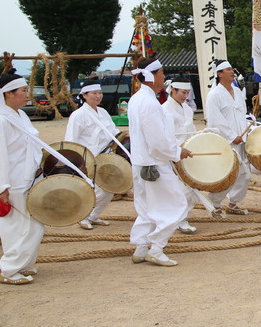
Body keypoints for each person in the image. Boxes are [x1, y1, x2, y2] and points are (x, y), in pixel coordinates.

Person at [128, 58, 193, 267]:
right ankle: (156, 247)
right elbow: (156, 141)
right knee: (176, 205)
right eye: (162, 73)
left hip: (141, 161)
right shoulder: (148, 103)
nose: (164, 77)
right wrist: (177, 152)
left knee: (147, 207)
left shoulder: (137, 99)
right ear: (151, 76)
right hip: (154, 162)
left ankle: (140, 247)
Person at [0, 71, 44, 284]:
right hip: (12, 183)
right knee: (16, 228)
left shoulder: (20, 115)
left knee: (34, 225)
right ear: (8, 94)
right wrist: (1, 187)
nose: (27, 95)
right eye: (23, 91)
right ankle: (9, 270)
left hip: (28, 179)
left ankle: (21, 264)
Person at [65, 79, 119, 230]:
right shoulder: (78, 115)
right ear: (84, 95)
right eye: (94, 93)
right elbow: (71, 140)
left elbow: (113, 132)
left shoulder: (103, 112)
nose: (98, 96)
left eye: (100, 93)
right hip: (87, 158)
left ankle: (93, 215)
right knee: (91, 189)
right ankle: (84, 216)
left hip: (106, 156)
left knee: (110, 188)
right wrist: (77, 163)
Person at [206, 60, 253, 216]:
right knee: (226, 175)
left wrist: (246, 131)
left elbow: (242, 114)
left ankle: (233, 204)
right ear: (219, 74)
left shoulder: (238, 92)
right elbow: (215, 120)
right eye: (228, 69)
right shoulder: (214, 95)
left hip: (241, 139)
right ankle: (216, 204)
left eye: (232, 69)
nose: (232, 71)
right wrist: (232, 136)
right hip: (226, 142)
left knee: (245, 174)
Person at [161, 76, 198, 234]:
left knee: (192, 187)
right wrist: (174, 155)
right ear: (172, 90)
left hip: (187, 152)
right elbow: (164, 137)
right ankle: (180, 220)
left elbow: (192, 131)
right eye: (183, 92)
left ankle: (180, 217)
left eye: (188, 93)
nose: (185, 96)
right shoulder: (164, 109)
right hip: (173, 154)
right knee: (181, 189)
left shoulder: (188, 109)